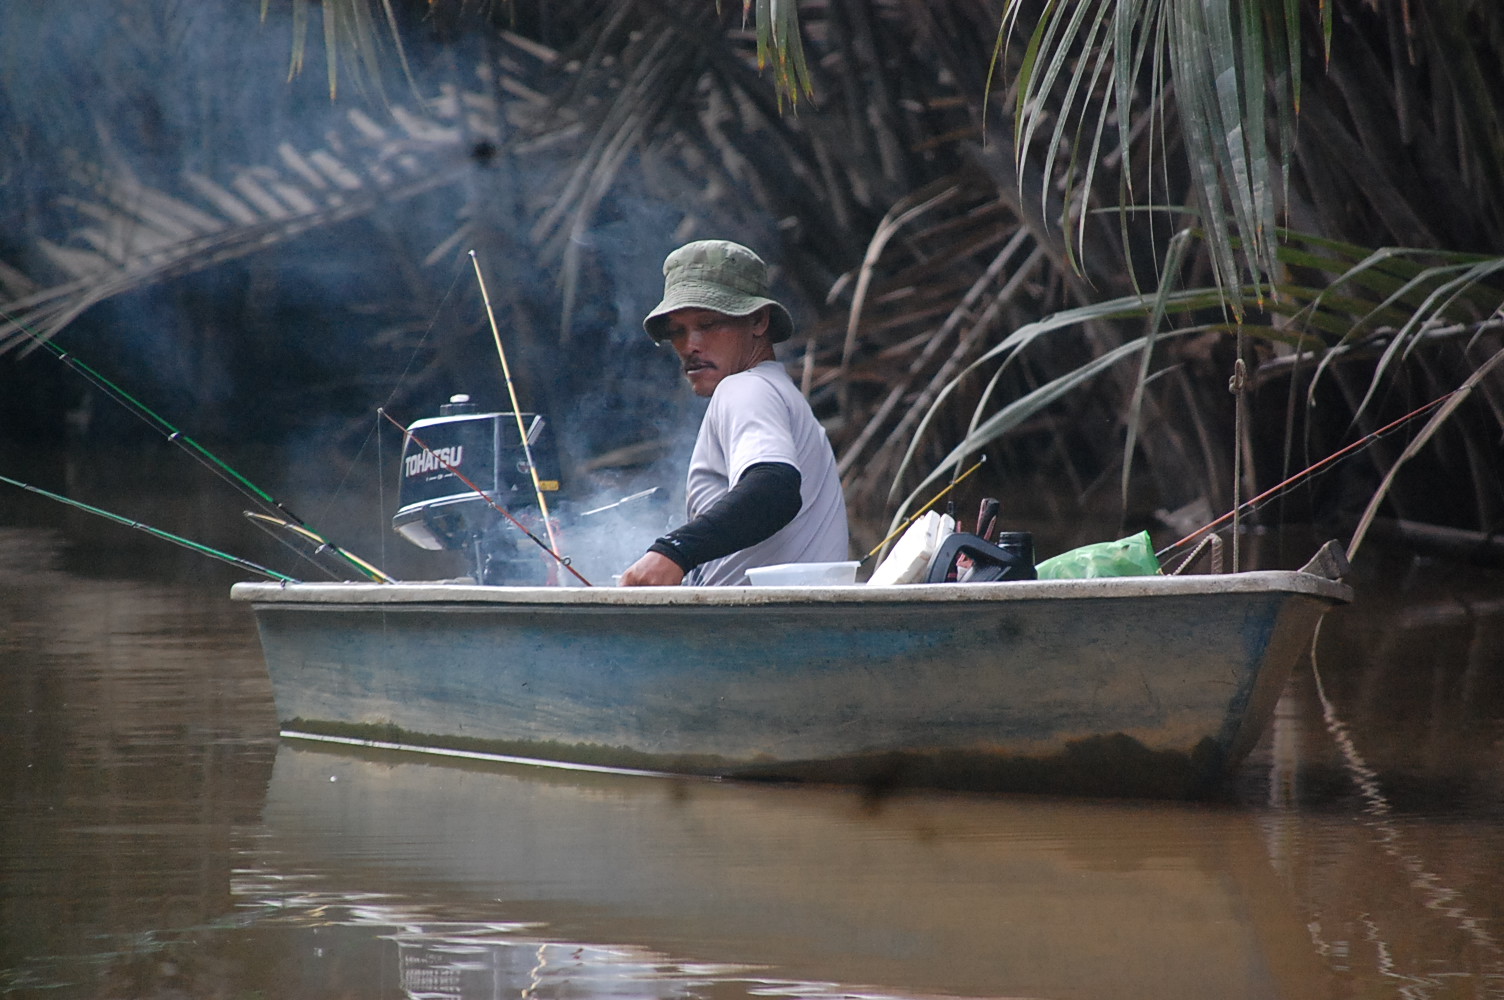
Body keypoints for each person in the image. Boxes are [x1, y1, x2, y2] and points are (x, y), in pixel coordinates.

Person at [618, 240, 849, 586]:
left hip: (761, 633)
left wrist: (673, 552)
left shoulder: (744, 388)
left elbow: (774, 489)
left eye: (708, 324)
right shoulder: (777, 391)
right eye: (677, 332)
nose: (689, 346)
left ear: (758, 321)